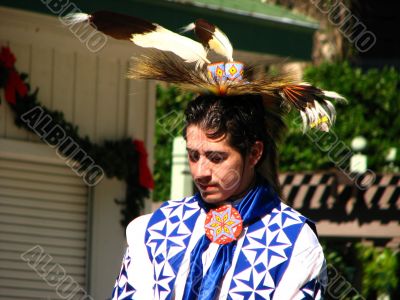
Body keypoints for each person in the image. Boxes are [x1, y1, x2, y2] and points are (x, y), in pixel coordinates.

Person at [67, 10, 344, 299]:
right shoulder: (154, 230)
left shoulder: (293, 240)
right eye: (193, 155)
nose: (200, 172)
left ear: (254, 153)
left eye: (216, 158)